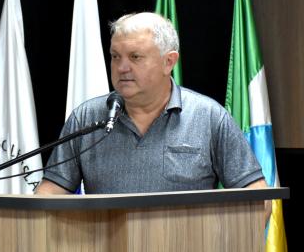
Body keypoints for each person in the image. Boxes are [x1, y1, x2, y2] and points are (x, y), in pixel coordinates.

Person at [36, 12, 267, 194]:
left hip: (187, 243)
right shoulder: (87, 117)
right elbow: (50, 192)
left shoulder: (209, 117)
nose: (122, 67)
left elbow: (257, 197)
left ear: (169, 62)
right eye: (115, 56)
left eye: (135, 57)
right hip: (106, 243)